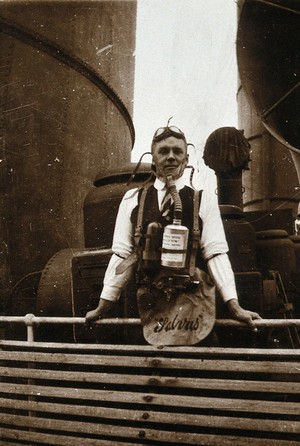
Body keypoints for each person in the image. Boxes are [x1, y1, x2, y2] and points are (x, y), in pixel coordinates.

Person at [86, 124, 261, 344]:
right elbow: (121, 255)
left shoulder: (202, 199)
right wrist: (103, 305)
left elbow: (216, 254)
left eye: (177, 152)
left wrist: (234, 305)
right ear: (153, 158)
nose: (171, 157)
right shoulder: (132, 199)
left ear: (186, 159)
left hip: (192, 306)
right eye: (164, 151)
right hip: (145, 306)